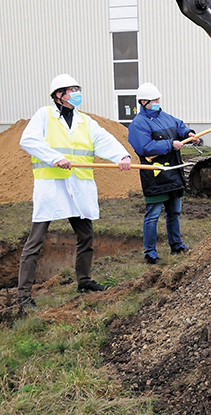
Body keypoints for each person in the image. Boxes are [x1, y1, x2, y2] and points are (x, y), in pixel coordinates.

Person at [17, 74, 132, 307]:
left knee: (86, 235)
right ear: (58, 95)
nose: (76, 93)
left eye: (77, 89)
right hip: (52, 187)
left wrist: (122, 155)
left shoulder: (84, 121)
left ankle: (84, 281)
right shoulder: (44, 115)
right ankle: (23, 296)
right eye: (71, 90)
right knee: (36, 241)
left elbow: (103, 139)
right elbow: (28, 140)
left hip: (77, 187)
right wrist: (54, 157)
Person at [127, 83, 199, 265]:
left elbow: (179, 127)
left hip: (173, 172)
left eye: (159, 99)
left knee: (174, 212)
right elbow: (144, 148)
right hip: (156, 175)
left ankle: (177, 245)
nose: (158, 102)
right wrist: (170, 145)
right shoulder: (137, 124)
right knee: (153, 215)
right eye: (155, 100)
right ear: (144, 102)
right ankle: (150, 252)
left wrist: (189, 133)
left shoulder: (165, 117)